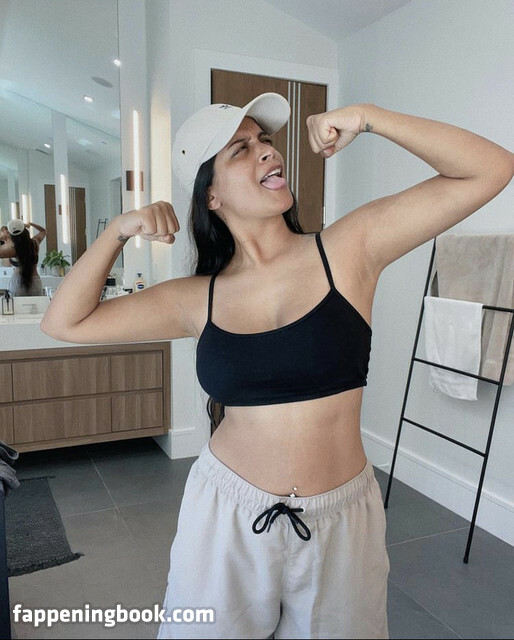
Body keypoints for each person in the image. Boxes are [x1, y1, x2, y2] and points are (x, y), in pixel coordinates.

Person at [41, 93, 513, 639]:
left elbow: (490, 169)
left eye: (264, 140)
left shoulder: (348, 249)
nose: (267, 151)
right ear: (211, 194)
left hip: (342, 522)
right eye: (240, 149)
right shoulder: (195, 297)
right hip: (227, 517)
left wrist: (370, 118)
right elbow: (64, 322)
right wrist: (118, 231)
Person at [0, 219, 46, 296]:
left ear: (11, 235)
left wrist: (3, 237)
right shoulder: (34, 243)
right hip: (35, 281)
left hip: (18, 282)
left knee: (18, 303)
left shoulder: (12, 249)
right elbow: (43, 231)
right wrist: (30, 224)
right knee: (37, 303)